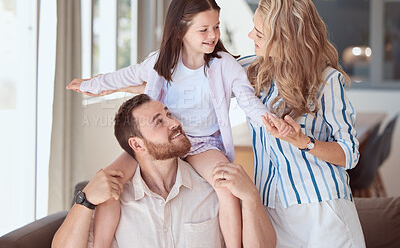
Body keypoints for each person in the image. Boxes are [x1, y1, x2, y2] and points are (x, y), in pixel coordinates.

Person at [66, 0, 285, 248]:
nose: (213, 35)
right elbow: (127, 76)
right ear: (180, 31)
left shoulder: (224, 65)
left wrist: (267, 120)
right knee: (110, 182)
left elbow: (248, 100)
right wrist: (93, 84)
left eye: (216, 27)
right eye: (203, 30)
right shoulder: (162, 62)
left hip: (202, 144)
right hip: (161, 140)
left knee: (225, 188)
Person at [51, 94, 276, 248]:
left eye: (168, 114)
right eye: (159, 122)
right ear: (137, 145)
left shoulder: (214, 187)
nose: (174, 123)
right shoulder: (115, 202)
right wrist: (86, 199)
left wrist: (251, 198)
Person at [240, 0, 365, 247]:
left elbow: (349, 154)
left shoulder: (327, 81)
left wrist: (303, 141)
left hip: (321, 209)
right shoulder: (252, 71)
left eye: (259, 33)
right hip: (271, 208)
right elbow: (193, 70)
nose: (250, 36)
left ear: (284, 38)